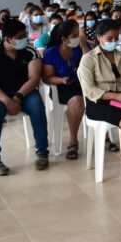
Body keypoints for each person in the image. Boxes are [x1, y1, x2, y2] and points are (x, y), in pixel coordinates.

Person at [77, 19, 121, 190]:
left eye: (116, 38)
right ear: (99, 37)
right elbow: (89, 90)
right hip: (98, 103)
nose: (113, 42)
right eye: (109, 38)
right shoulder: (88, 59)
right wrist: (114, 96)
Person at [0, 19, 49, 175]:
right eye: (19, 36)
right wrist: (6, 100)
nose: (24, 38)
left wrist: (17, 96)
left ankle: (42, 152)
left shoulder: (31, 52)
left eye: (25, 35)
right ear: (7, 39)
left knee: (37, 105)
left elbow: (34, 79)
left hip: (23, 91)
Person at [42, 20, 87, 159]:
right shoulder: (51, 53)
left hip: (82, 84)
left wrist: (84, 45)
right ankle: (73, 141)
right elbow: (47, 78)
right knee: (77, 101)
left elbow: (90, 64)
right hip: (61, 87)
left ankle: (104, 136)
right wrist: (61, 80)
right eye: (74, 36)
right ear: (64, 39)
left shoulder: (79, 48)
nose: (78, 38)